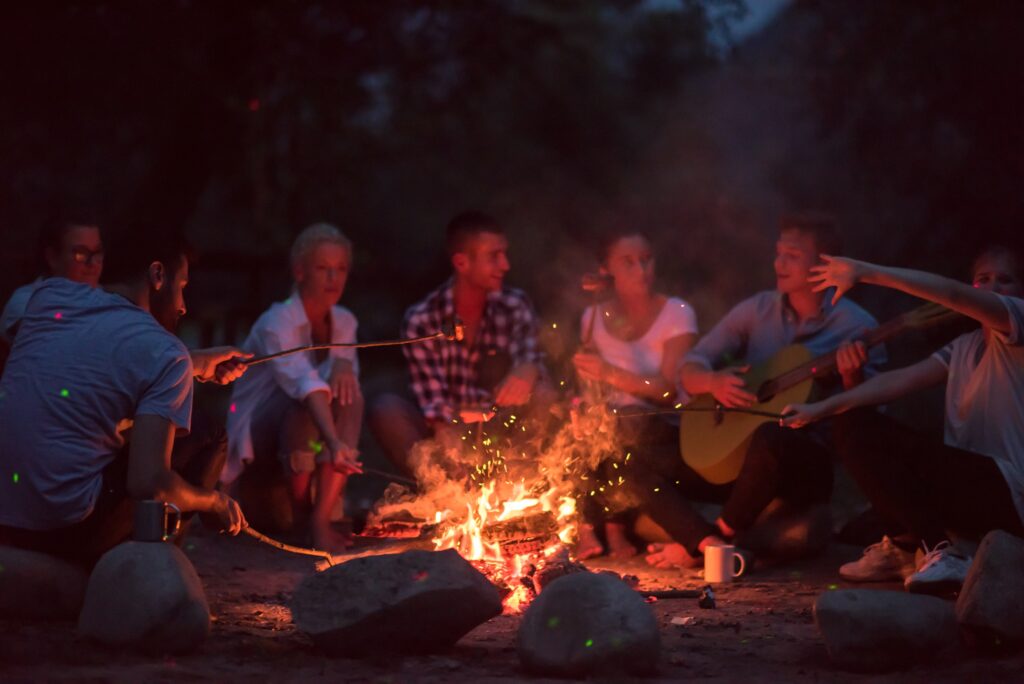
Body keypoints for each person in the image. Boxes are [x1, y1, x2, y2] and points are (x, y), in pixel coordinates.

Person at [624, 213, 884, 569]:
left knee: (773, 434)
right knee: (630, 456)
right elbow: (693, 363)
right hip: (736, 461)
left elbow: (867, 420)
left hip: (802, 464)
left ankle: (716, 539)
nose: (779, 263)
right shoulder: (758, 309)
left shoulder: (858, 327)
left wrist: (852, 378)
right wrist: (713, 382)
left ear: (825, 264)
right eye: (778, 253)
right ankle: (703, 542)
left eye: (792, 255)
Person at [782, 246, 1024, 593]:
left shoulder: (1019, 323)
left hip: (1010, 495)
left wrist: (865, 271)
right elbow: (897, 381)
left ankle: (942, 552)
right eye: (983, 279)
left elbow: (952, 293)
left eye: (1005, 280)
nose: (993, 288)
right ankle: (906, 547)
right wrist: (822, 408)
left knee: (870, 438)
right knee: (853, 421)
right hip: (970, 486)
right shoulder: (964, 346)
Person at [0, 229, 249, 567]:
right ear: (158, 274)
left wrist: (193, 362)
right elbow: (149, 482)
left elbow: (95, 359)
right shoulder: (165, 352)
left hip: (7, 514)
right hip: (65, 525)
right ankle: (154, 569)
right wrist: (214, 501)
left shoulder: (49, 297)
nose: (183, 306)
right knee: (209, 434)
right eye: (183, 287)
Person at [368, 211, 549, 476]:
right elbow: (436, 410)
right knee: (385, 409)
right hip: (447, 436)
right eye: (494, 256)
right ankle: (441, 492)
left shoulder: (514, 305)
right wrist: (453, 449)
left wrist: (529, 369)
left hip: (505, 437)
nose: (505, 265)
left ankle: (522, 481)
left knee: (545, 392)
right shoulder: (423, 319)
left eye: (504, 254)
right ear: (462, 263)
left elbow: (533, 359)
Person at [224, 224, 363, 553]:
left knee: (351, 393)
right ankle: (306, 521)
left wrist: (343, 363)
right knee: (304, 408)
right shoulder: (278, 321)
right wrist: (332, 441)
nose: (334, 278)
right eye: (323, 268)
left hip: (310, 426)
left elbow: (341, 388)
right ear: (300, 271)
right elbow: (305, 385)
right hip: (260, 434)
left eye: (341, 269)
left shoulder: (345, 322)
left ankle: (322, 514)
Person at [571, 230, 698, 559]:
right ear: (605, 270)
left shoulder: (677, 312)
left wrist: (609, 372)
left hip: (664, 424)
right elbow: (590, 390)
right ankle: (599, 530)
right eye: (628, 262)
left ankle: (607, 530)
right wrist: (581, 405)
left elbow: (668, 390)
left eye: (646, 260)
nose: (642, 270)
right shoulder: (592, 317)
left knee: (619, 425)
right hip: (614, 426)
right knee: (584, 424)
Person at [1, 215, 104, 370]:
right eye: (81, 254)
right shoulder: (26, 303)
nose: (92, 264)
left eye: (97, 254)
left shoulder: (108, 301)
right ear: (53, 257)